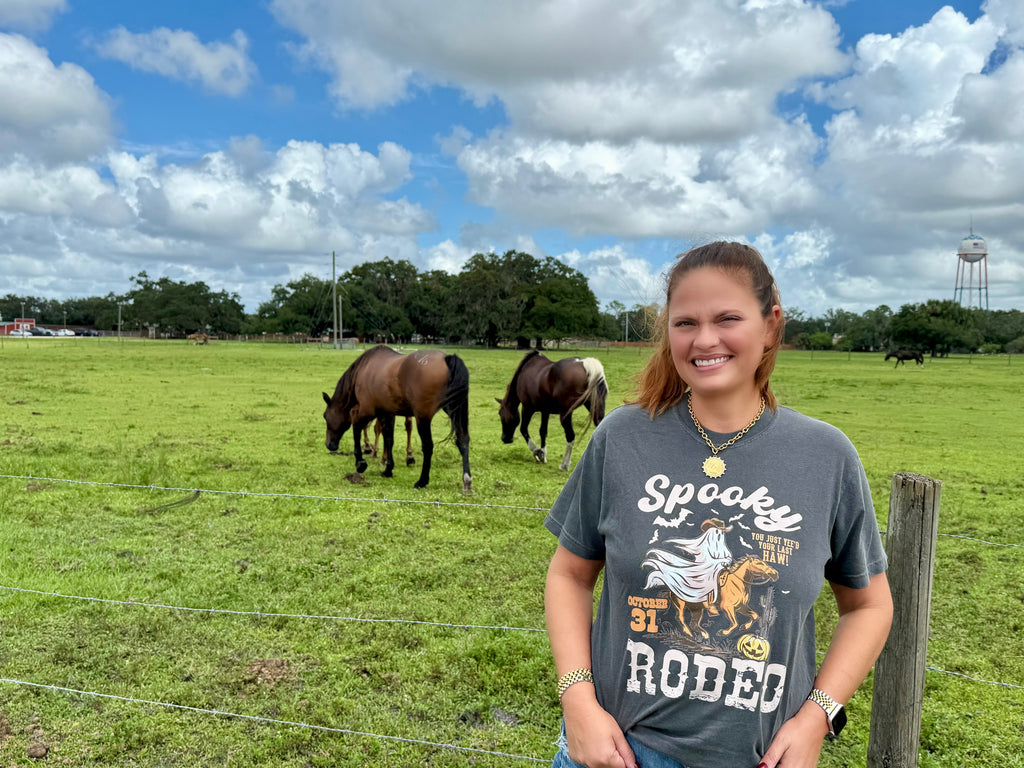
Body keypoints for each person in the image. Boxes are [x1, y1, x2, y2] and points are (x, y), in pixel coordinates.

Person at [544, 241, 893, 768]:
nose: (704, 340)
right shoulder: (622, 438)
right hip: (624, 750)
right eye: (686, 323)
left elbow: (869, 606)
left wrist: (817, 716)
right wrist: (577, 701)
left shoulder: (826, 456)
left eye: (727, 318)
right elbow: (569, 574)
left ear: (771, 323)